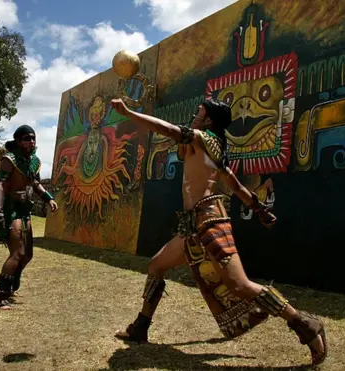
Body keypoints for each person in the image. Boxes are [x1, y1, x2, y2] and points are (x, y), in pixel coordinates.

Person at [109, 98, 327, 366]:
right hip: (192, 225)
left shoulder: (203, 138)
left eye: (200, 111)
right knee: (156, 265)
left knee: (241, 285)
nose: (195, 114)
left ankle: (306, 325)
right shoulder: (210, 148)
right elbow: (235, 186)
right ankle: (141, 328)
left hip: (210, 222)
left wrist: (130, 112)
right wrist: (259, 210)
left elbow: (167, 130)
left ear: (209, 119)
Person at [0, 125, 58, 309]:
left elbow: (34, 183)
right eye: (27, 138)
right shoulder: (8, 160)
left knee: (27, 255)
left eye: (33, 138)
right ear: (18, 141)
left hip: (24, 209)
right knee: (17, 253)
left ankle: (11, 285)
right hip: (11, 210)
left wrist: (48, 198)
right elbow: (1, 186)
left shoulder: (33, 161)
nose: (32, 142)